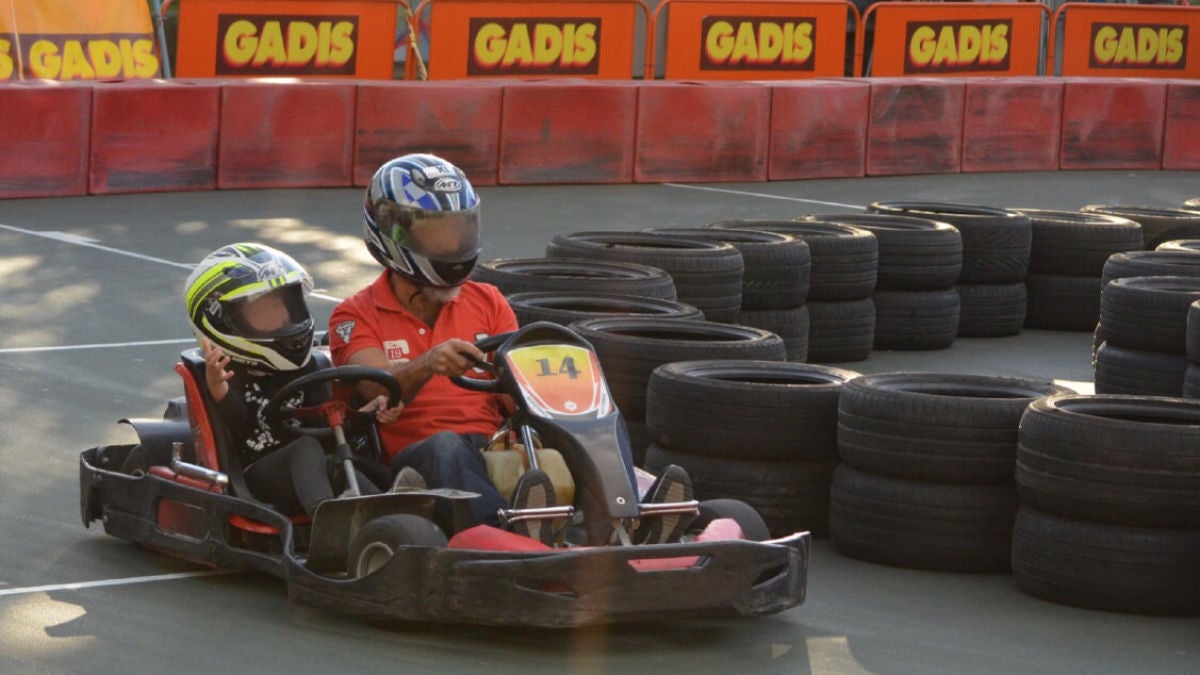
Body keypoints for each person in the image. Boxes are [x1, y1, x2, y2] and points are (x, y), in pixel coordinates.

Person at [329, 154, 694, 546]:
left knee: (591, 409)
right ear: (393, 233)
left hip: (495, 447)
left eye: (459, 232)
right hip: (415, 463)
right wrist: (429, 362)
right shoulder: (356, 314)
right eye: (437, 234)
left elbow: (517, 395)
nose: (453, 245)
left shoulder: (487, 300)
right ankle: (512, 537)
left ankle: (627, 521)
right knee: (446, 445)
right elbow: (376, 387)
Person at [185, 243, 402, 518]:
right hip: (255, 478)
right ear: (222, 320)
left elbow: (325, 426)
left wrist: (366, 413)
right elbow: (238, 421)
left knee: (337, 463)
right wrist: (219, 389)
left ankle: (389, 509)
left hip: (310, 469)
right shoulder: (225, 374)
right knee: (306, 448)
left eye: (283, 306)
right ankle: (327, 519)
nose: (281, 317)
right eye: (264, 311)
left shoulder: (308, 366)